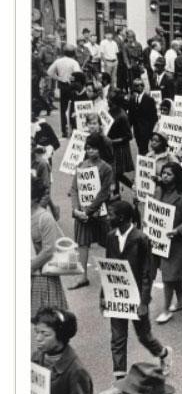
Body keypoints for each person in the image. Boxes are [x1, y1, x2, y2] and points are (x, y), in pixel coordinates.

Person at [97, 200, 172, 394]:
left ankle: (163, 353)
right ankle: (119, 383)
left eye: (110, 213)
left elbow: (148, 272)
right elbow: (109, 268)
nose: (107, 217)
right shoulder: (111, 237)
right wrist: (104, 295)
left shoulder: (141, 238)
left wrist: (144, 302)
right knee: (117, 338)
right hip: (118, 296)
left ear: (121, 217)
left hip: (137, 296)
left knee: (144, 336)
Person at [152, 162, 182, 323]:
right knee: (172, 273)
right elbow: (154, 211)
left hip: (178, 242)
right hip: (161, 240)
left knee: (168, 276)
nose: (165, 176)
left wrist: (177, 230)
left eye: (169, 174)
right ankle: (180, 301)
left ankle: (166, 310)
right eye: (163, 173)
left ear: (177, 176)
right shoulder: (159, 191)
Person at [68, 133, 113, 290]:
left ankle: (112, 275)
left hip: (99, 212)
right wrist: (76, 209)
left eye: (93, 148)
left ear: (100, 149)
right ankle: (83, 276)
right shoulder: (81, 166)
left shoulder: (106, 168)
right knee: (82, 243)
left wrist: (88, 211)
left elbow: (104, 193)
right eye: (87, 148)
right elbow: (74, 189)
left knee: (107, 242)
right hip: (82, 212)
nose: (90, 151)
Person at [31, 176, 68, 312]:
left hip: (42, 277)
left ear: (34, 198)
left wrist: (29, 267)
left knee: (44, 319)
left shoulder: (44, 218)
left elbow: (48, 250)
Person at [106, 91, 135, 197]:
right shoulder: (110, 111)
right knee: (115, 174)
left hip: (119, 148)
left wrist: (112, 141)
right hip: (112, 147)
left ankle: (122, 191)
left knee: (116, 173)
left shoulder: (122, 115)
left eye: (109, 99)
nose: (107, 100)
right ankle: (126, 189)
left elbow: (129, 136)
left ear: (114, 102)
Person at [127, 77, 158, 157]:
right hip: (136, 129)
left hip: (146, 129)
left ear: (143, 86)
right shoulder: (132, 99)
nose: (138, 87)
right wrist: (129, 128)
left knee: (143, 148)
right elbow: (131, 115)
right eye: (136, 86)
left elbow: (153, 117)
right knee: (140, 147)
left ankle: (144, 162)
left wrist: (151, 131)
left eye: (140, 85)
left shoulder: (149, 99)